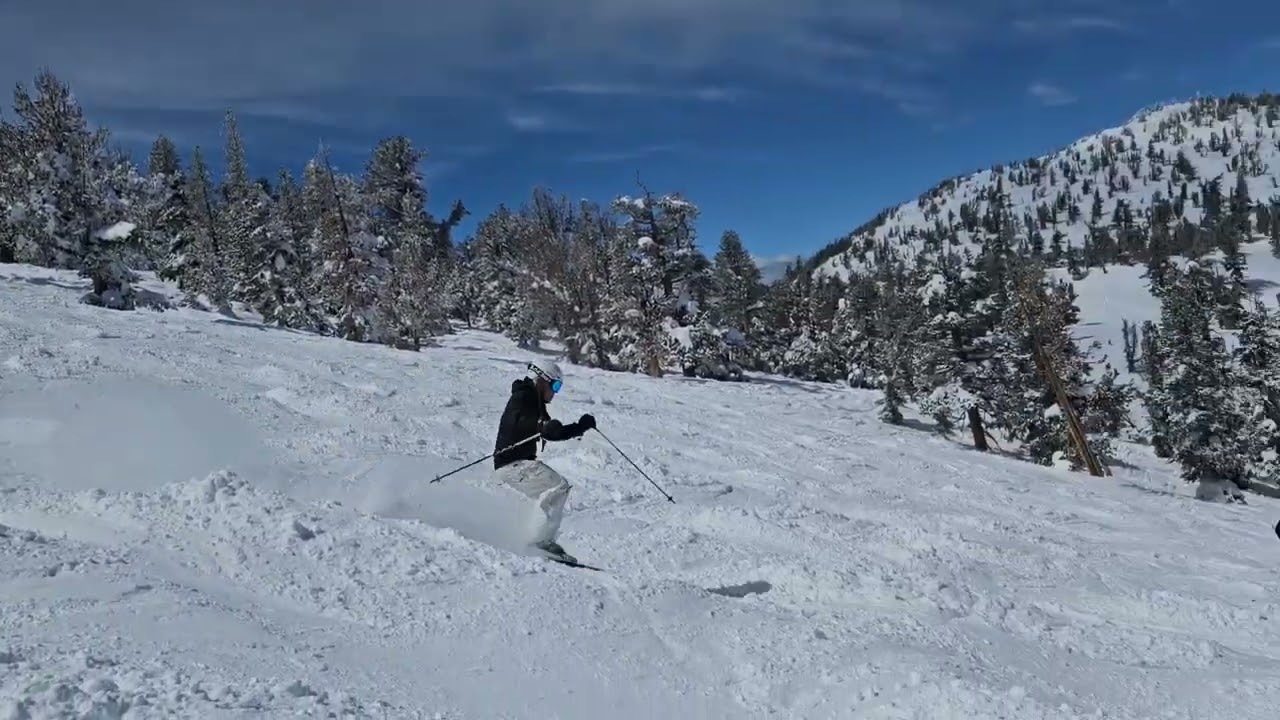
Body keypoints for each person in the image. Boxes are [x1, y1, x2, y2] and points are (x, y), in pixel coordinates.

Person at [492, 359, 595, 560]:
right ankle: (541, 541)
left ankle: (542, 540)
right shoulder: (522, 397)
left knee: (555, 491)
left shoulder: (534, 400)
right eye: (555, 385)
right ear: (542, 380)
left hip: (518, 463)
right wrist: (539, 425)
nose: (556, 392)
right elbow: (518, 421)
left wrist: (579, 427)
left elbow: (552, 432)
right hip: (512, 463)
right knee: (558, 488)